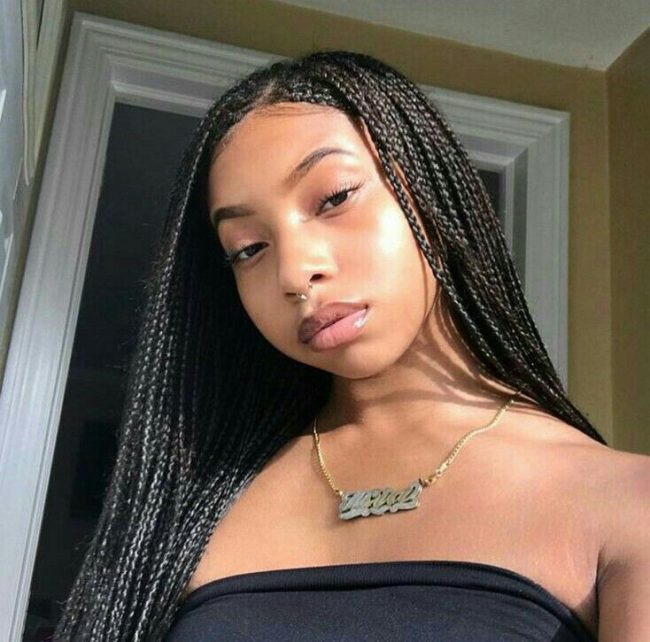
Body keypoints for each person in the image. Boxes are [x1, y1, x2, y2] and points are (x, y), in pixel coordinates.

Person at [54, 51, 649, 641]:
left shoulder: (625, 503)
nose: (294, 273)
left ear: (428, 188)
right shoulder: (199, 499)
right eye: (248, 248)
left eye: (334, 198)